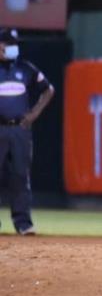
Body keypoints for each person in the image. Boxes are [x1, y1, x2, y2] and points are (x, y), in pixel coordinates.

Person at [0, 28, 54, 236]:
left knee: (20, 175)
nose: (12, 47)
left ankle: (23, 223)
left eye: (14, 44)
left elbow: (49, 90)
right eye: (7, 44)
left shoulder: (26, 68)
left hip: (19, 129)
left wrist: (33, 114)